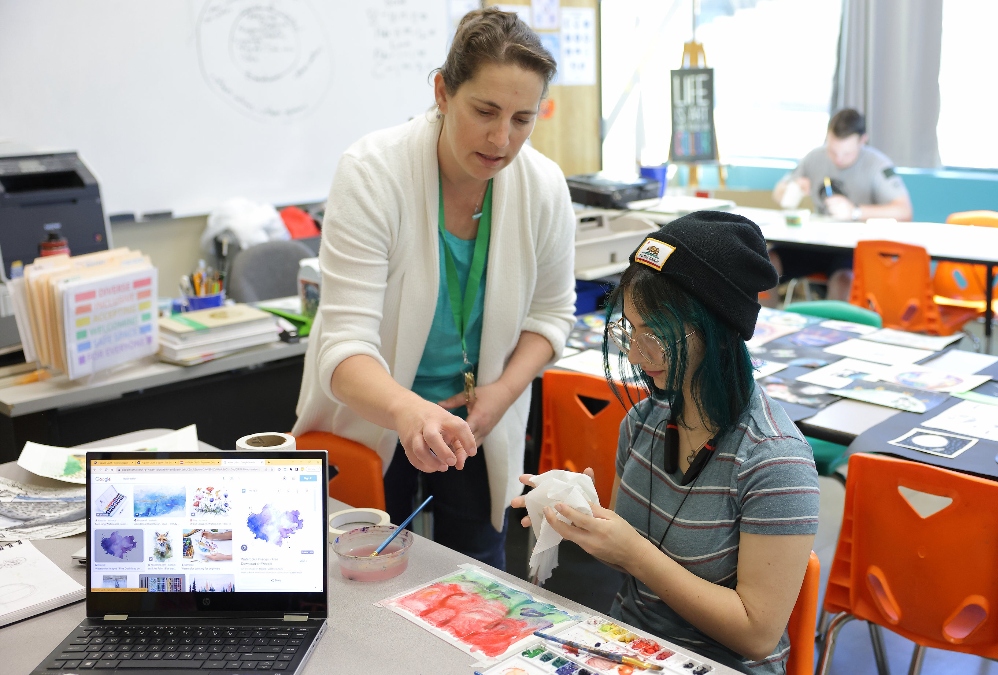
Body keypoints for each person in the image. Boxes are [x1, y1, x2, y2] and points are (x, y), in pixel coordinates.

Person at [293, 8, 577, 569]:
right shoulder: (373, 173)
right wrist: (409, 412)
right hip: (376, 414)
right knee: (360, 577)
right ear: (443, 92)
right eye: (485, 111)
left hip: (475, 423)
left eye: (523, 119)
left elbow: (552, 317)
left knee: (475, 577)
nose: (502, 139)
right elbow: (343, 347)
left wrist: (498, 396)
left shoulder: (542, 187)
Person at [513, 211, 820, 674]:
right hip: (628, 647)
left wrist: (634, 553)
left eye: (653, 335)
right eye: (628, 331)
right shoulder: (644, 421)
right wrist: (582, 512)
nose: (636, 355)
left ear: (717, 330)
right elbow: (628, 561)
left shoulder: (774, 461)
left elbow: (757, 634)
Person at [770, 108, 912, 300]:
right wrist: (792, 189)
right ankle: (759, 326)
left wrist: (855, 212)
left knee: (844, 279)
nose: (838, 159)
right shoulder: (814, 158)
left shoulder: (877, 165)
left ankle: (832, 328)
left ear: (863, 141)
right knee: (766, 261)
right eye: (833, 151)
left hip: (852, 249)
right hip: (814, 242)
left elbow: (904, 211)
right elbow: (778, 194)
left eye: (846, 153)